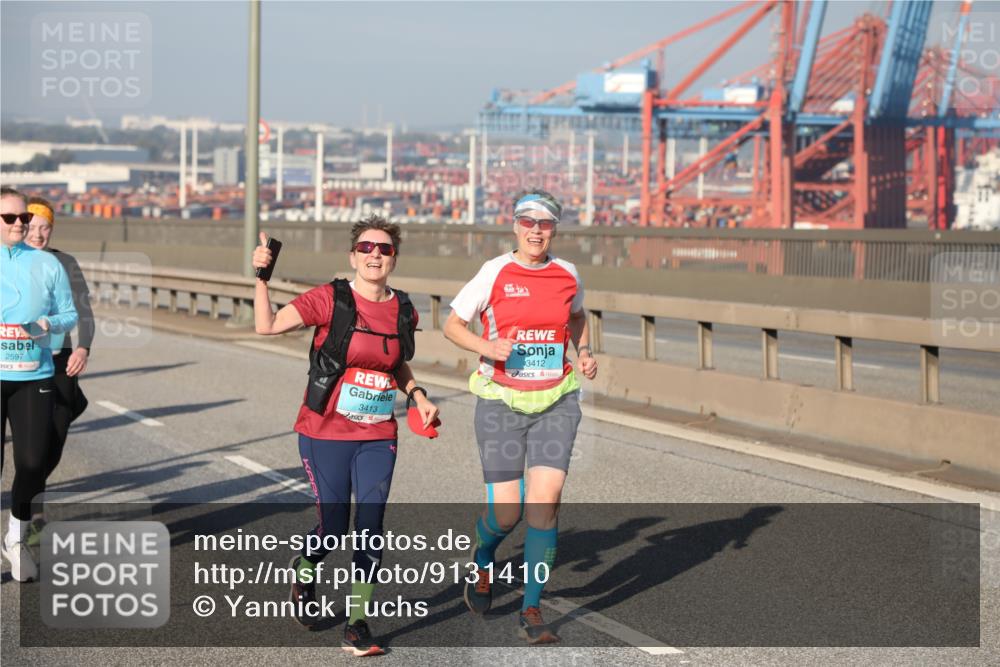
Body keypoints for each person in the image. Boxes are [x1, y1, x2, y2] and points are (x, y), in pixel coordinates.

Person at [252, 214, 439, 657]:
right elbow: (268, 325)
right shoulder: (330, 299)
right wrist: (262, 278)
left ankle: (357, 623)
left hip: (378, 434)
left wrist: (417, 394)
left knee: (371, 528)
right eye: (367, 248)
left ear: (394, 258)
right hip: (325, 431)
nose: (375, 254)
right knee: (334, 528)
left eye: (385, 249)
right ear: (353, 255)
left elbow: (393, 364)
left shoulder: (403, 309)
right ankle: (304, 567)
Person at [443, 189, 598, 644]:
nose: (536, 230)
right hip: (500, 401)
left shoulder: (567, 274)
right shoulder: (494, 272)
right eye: (528, 222)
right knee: (507, 512)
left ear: (554, 228)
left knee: (545, 504)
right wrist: (486, 347)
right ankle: (483, 559)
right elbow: (453, 324)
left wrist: (584, 351)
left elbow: (578, 316)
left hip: (556, 400)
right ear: (514, 225)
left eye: (545, 223)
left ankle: (531, 608)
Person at [0, 186, 78, 582]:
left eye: (24, 218)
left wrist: (49, 324)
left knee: (32, 463)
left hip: (34, 374)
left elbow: (68, 314)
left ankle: (15, 537)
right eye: (10, 218)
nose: (20, 224)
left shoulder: (48, 265)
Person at [23, 197, 93, 507]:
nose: (38, 234)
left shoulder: (65, 263)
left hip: (61, 361)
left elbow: (84, 312)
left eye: (45, 228)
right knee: (32, 444)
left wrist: (83, 348)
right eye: (33, 227)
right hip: (19, 362)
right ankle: (30, 505)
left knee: (57, 434)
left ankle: (32, 488)